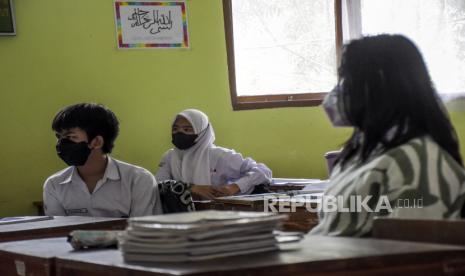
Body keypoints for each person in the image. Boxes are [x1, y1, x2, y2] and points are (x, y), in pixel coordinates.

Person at [310, 34, 465, 236]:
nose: (338, 91)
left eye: (348, 80)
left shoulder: (417, 162)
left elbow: (407, 257)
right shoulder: (363, 154)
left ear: (380, 84)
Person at [43, 103, 162, 217]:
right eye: (59, 137)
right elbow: (57, 234)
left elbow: (144, 232)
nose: (61, 143)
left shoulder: (138, 180)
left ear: (97, 142)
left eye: (70, 137)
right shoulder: (54, 184)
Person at [155, 109, 272, 199]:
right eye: (175, 129)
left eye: (187, 130)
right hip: (178, 215)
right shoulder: (169, 157)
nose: (179, 133)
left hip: (217, 213)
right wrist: (191, 188)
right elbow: (159, 185)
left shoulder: (218, 155)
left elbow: (263, 170)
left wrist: (234, 187)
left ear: (202, 133)